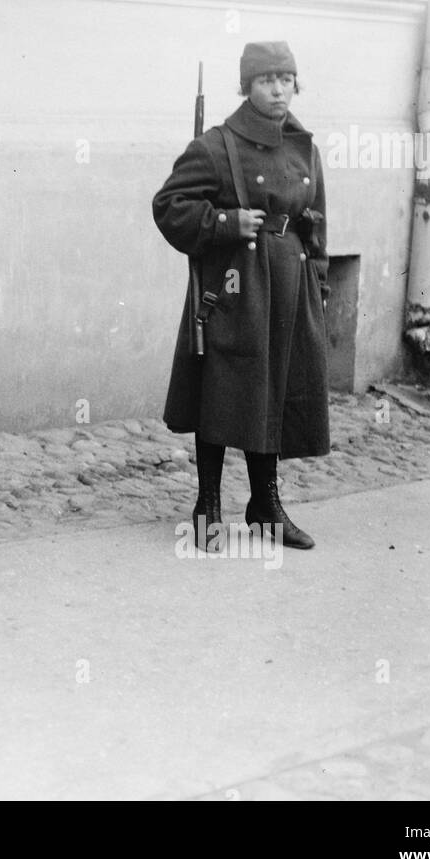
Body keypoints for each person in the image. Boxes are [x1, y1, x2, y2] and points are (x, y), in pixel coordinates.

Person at [152, 41, 328, 552]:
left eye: (286, 78)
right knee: (222, 389)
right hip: (233, 288)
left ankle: (265, 504)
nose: (278, 89)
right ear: (246, 87)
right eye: (266, 79)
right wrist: (224, 222)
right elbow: (169, 206)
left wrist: (317, 285)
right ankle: (208, 503)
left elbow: (315, 220)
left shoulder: (304, 147)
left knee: (272, 390)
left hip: (289, 290)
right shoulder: (216, 146)